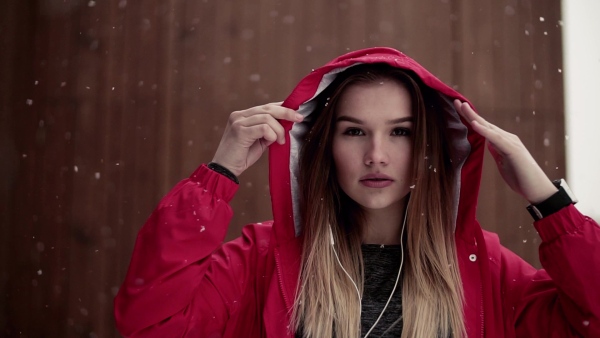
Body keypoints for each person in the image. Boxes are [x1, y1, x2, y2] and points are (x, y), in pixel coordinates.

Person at [114, 47, 599, 337]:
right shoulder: (261, 260)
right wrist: (217, 174)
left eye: (401, 132)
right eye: (354, 132)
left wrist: (550, 201)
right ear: (321, 148)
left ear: (430, 146)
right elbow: (150, 325)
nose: (377, 155)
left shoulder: (483, 268)